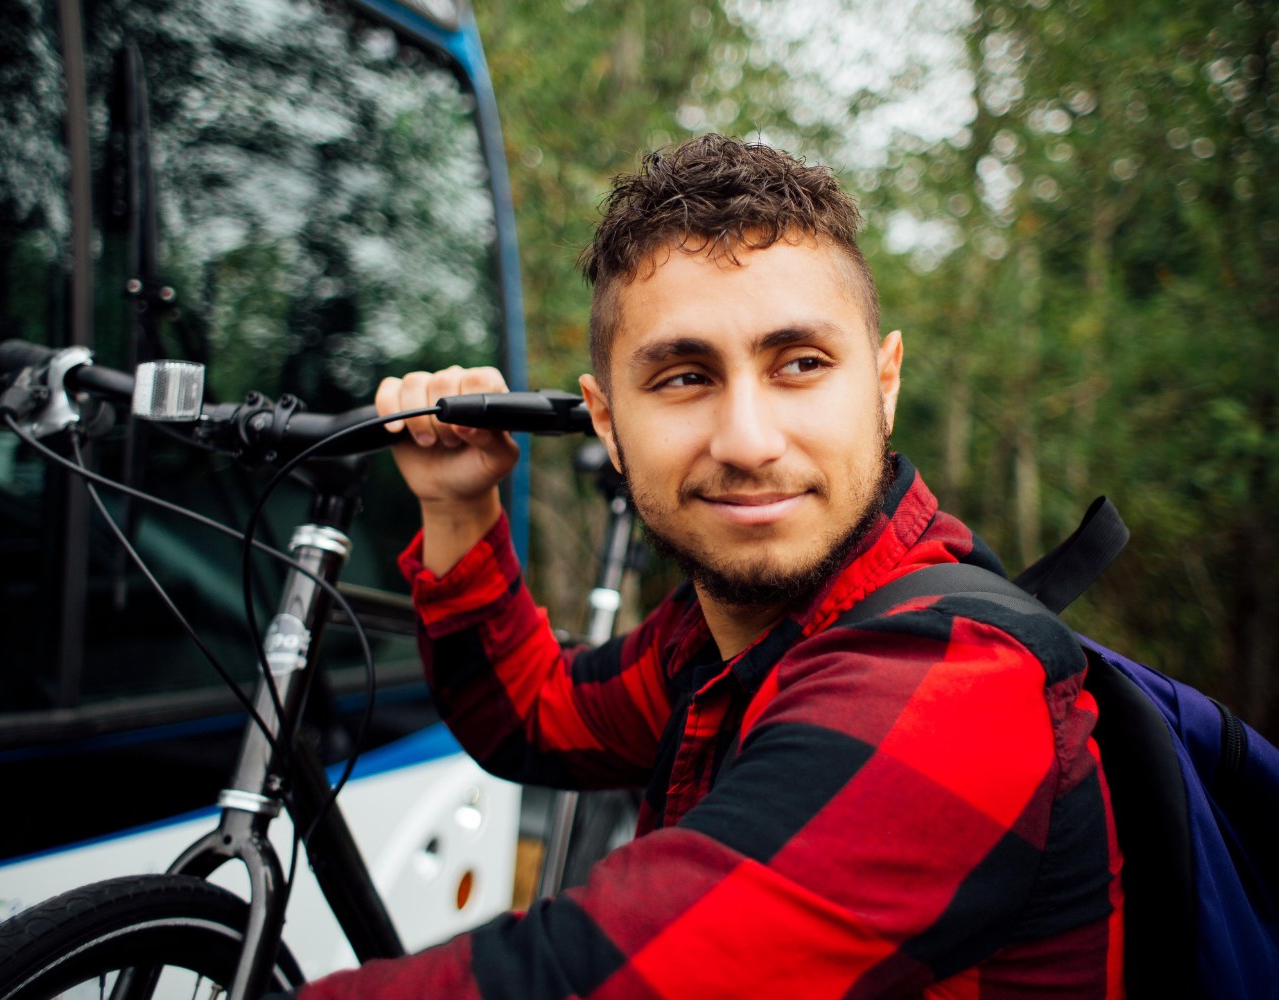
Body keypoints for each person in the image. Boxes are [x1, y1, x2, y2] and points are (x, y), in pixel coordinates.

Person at [294, 134, 1125, 997]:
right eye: (685, 378)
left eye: (800, 364)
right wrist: (459, 506)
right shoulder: (724, 631)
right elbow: (533, 717)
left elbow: (601, 982)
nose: (747, 442)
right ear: (607, 422)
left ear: (883, 385)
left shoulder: (957, 684)